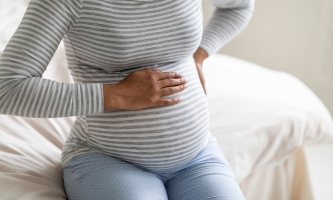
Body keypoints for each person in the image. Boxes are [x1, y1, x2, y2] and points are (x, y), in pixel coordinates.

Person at [0, 0, 255, 199]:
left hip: (197, 155)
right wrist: (118, 94)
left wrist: (200, 54)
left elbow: (240, 6)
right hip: (108, 159)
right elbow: (7, 88)